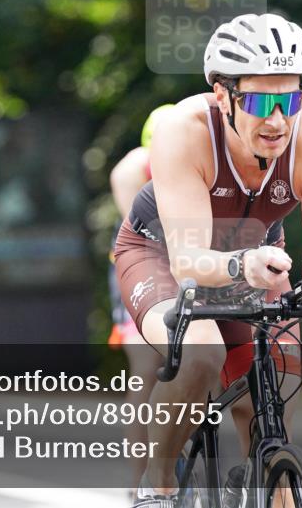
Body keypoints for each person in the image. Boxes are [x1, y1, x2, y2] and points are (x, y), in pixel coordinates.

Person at [113, 13, 302, 507]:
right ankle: (156, 484)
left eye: (289, 101)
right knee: (201, 354)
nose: (277, 121)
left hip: (258, 260)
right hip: (160, 254)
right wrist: (241, 264)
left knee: (276, 388)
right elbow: (187, 264)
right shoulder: (185, 129)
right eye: (262, 102)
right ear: (223, 96)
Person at [107, 104, 175, 491]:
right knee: (146, 371)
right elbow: (147, 232)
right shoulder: (131, 170)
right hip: (141, 265)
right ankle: (139, 479)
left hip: (187, 262)